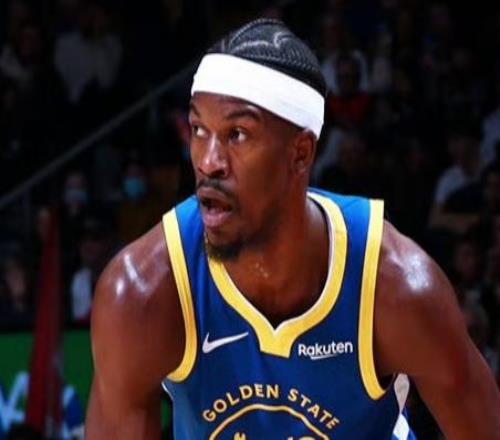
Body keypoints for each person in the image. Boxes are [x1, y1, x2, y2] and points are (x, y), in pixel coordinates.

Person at [86, 19, 500, 439]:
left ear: (301, 153)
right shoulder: (143, 291)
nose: (209, 161)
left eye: (237, 134)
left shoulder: (395, 286)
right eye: (199, 130)